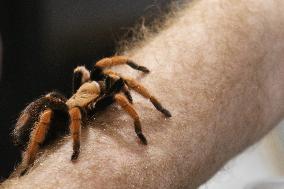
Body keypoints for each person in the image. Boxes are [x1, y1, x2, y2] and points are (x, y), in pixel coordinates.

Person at [2, 0, 284, 188]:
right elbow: (84, 104)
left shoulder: (101, 85)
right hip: (71, 110)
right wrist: (76, 147)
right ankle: (28, 159)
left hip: (75, 102)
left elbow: (106, 79)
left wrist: (143, 94)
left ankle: (29, 157)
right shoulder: (72, 105)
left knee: (101, 78)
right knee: (52, 109)